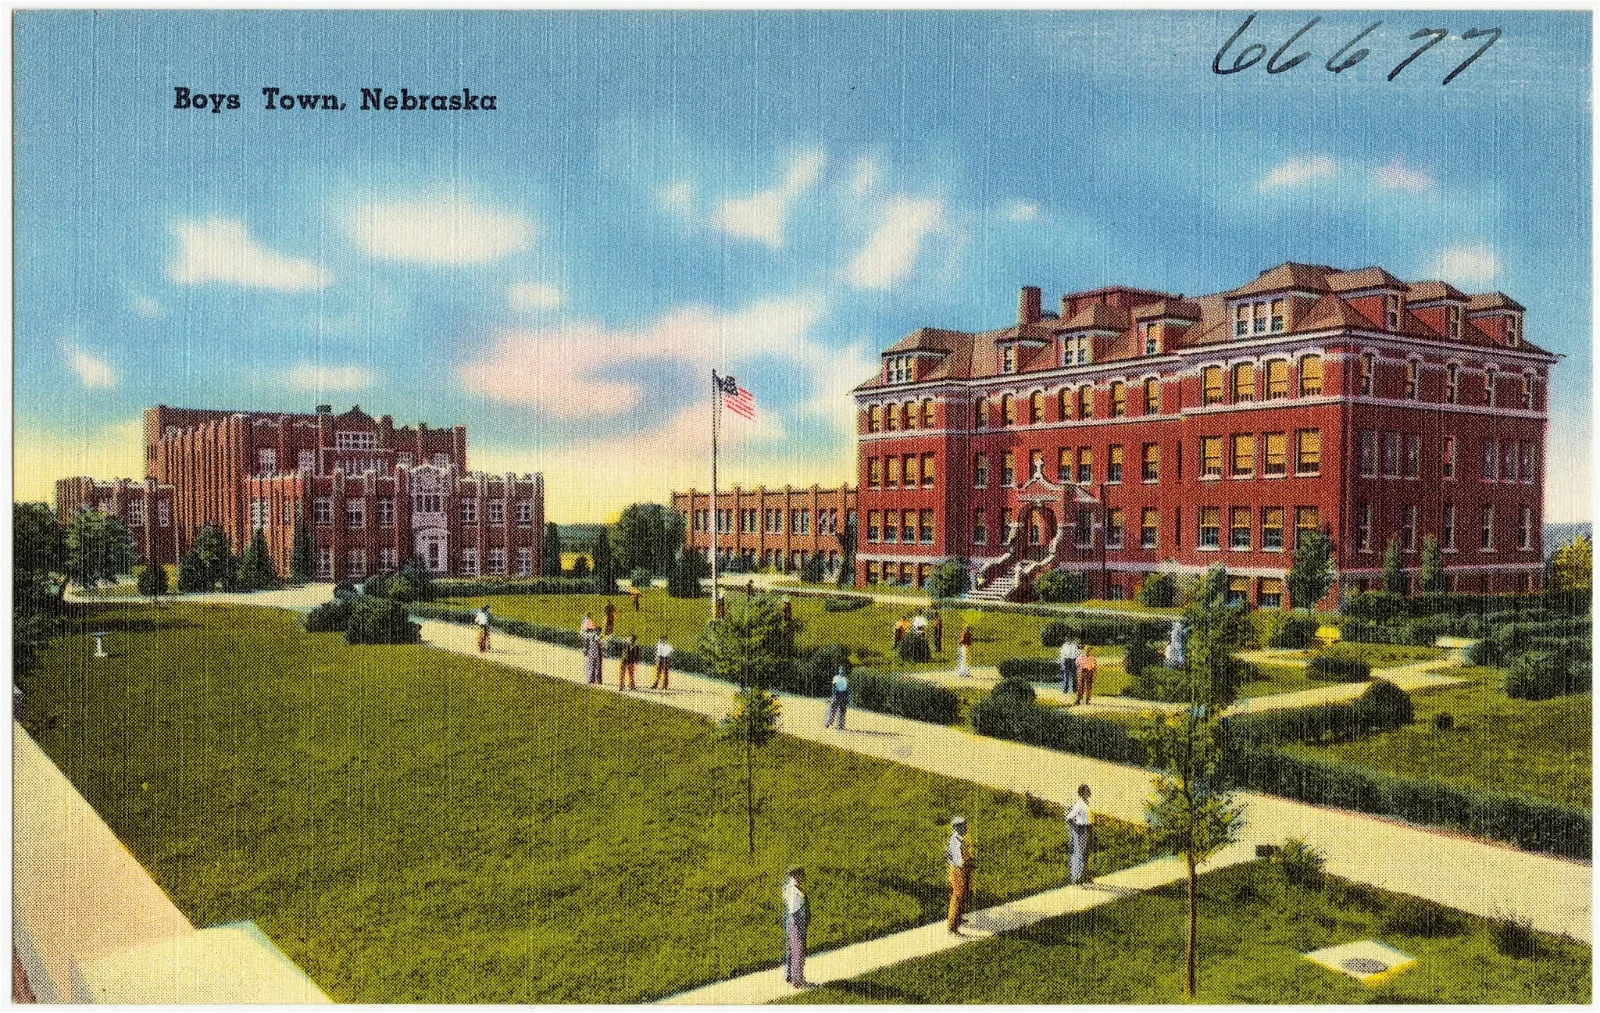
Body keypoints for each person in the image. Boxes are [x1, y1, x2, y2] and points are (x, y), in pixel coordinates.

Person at [782, 866, 810, 987]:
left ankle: (789, 975)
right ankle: (798, 980)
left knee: (790, 949)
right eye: (800, 875)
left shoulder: (787, 886)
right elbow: (794, 908)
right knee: (798, 949)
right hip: (795, 919)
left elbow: (785, 900)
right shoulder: (795, 889)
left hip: (789, 918)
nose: (802, 877)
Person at [946, 816, 973, 934]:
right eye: (963, 826)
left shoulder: (959, 839)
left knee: (964, 895)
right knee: (958, 897)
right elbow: (958, 862)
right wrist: (968, 863)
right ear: (957, 828)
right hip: (958, 872)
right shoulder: (955, 842)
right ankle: (952, 926)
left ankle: (958, 918)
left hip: (962, 870)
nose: (965, 828)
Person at [1067, 784, 1093, 884]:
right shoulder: (1079, 805)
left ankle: (1085, 876)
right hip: (1081, 829)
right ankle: (1076, 878)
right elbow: (1069, 818)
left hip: (1088, 828)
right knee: (1080, 854)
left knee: (1086, 854)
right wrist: (1076, 830)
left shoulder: (1086, 803)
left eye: (1088, 790)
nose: (1089, 792)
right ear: (1082, 793)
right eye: (1087, 791)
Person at [824, 665, 849, 730]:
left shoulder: (845, 679)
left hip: (843, 695)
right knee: (832, 709)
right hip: (837, 694)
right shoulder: (836, 677)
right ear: (839, 670)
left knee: (842, 711)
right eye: (840, 669)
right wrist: (833, 695)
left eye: (843, 669)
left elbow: (847, 689)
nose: (842, 670)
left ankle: (840, 726)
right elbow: (834, 686)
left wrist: (847, 697)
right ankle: (828, 722)